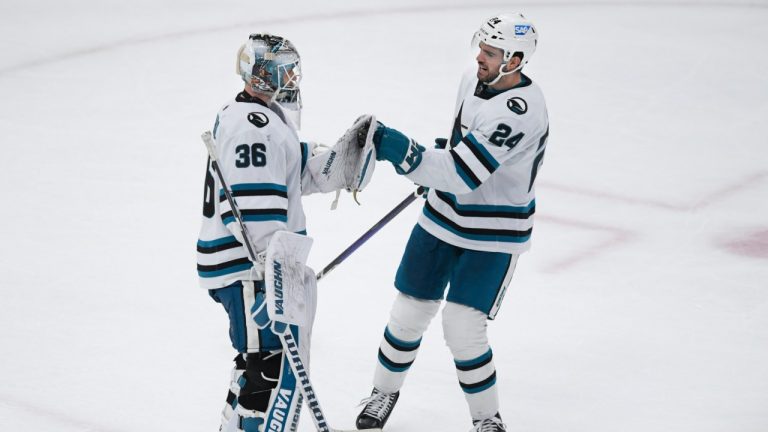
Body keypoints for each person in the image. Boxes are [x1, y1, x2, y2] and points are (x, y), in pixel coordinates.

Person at [353, 13, 550, 432]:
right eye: (482, 48)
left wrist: (404, 152)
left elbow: (463, 174)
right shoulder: (473, 80)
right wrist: (437, 165)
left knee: (462, 328)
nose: (480, 57)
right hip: (443, 216)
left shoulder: (521, 111)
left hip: (494, 234)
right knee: (408, 312)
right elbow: (460, 148)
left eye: (491, 52)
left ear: (515, 60)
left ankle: (487, 418)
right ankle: (382, 392)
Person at [197, 33, 376, 432]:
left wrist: (341, 161)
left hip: (244, 268)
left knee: (258, 362)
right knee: (269, 370)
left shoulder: (257, 117)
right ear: (264, 75)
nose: (293, 79)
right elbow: (253, 205)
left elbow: (293, 171)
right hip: (248, 270)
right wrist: (273, 271)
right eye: (286, 71)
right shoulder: (253, 127)